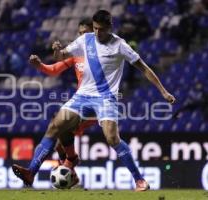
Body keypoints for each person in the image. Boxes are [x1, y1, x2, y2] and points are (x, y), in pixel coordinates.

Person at [13, 10, 176, 191]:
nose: (97, 33)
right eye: (95, 28)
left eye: (101, 29)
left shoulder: (120, 45)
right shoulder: (85, 39)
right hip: (82, 96)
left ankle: (139, 180)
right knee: (55, 127)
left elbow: (144, 68)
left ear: (110, 27)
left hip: (106, 98)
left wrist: (163, 91)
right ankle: (31, 172)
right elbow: (61, 57)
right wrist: (57, 51)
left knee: (112, 138)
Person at [29, 18, 96, 169]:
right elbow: (54, 70)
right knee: (59, 140)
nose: (81, 36)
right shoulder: (76, 52)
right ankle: (70, 170)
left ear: (95, 31)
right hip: (81, 102)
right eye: (80, 33)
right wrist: (40, 65)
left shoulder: (104, 52)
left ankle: (69, 164)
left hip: (97, 104)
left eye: (85, 32)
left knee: (59, 130)